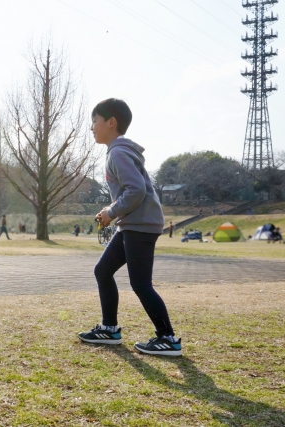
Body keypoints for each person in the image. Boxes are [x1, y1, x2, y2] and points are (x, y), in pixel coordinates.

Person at [78, 98, 181, 356]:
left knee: (140, 283)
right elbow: (130, 191)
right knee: (103, 271)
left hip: (140, 225)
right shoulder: (117, 151)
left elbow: (135, 190)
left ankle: (167, 338)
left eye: (94, 121)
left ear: (111, 123)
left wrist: (111, 212)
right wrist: (111, 212)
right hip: (132, 224)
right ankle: (110, 329)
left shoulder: (118, 152)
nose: (91, 127)